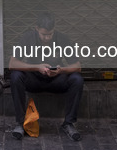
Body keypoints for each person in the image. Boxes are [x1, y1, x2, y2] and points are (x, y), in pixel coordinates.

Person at [8, 12, 84, 141]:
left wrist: (61, 70)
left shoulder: (62, 38)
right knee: (15, 76)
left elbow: (77, 66)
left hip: (56, 79)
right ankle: (21, 123)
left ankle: (69, 123)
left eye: (50, 34)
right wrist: (37, 67)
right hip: (34, 79)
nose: (47, 37)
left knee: (77, 79)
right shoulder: (28, 38)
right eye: (44, 34)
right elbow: (12, 63)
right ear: (37, 29)